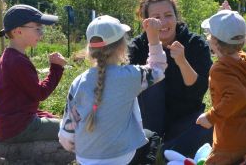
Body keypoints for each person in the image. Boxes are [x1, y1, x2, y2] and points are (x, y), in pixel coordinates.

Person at [58, 15, 167, 164]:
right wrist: (153, 37)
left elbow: (67, 134)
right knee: (150, 138)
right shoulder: (130, 76)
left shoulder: (79, 82)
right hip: (121, 156)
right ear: (122, 47)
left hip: (85, 157)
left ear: (90, 50)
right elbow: (158, 69)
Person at [128, 0, 213, 156]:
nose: (163, 23)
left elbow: (199, 89)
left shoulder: (195, 43)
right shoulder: (137, 46)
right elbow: (126, 85)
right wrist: (153, 42)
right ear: (146, 21)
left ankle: (158, 153)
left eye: (168, 15)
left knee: (213, 124)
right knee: (152, 81)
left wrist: (182, 61)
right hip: (147, 124)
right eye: (156, 18)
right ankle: (160, 149)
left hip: (184, 120)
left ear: (176, 17)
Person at [196, 9, 246, 165]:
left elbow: (237, 96)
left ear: (215, 42)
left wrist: (210, 117)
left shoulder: (220, 69)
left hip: (231, 141)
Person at [0, 4, 67, 143]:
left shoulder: (10, 56)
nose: (41, 33)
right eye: (37, 28)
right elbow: (40, 93)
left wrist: (40, 115)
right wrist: (57, 68)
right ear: (18, 31)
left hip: (11, 125)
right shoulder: (17, 62)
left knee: (58, 120)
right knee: (73, 129)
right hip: (19, 128)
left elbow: (16, 103)